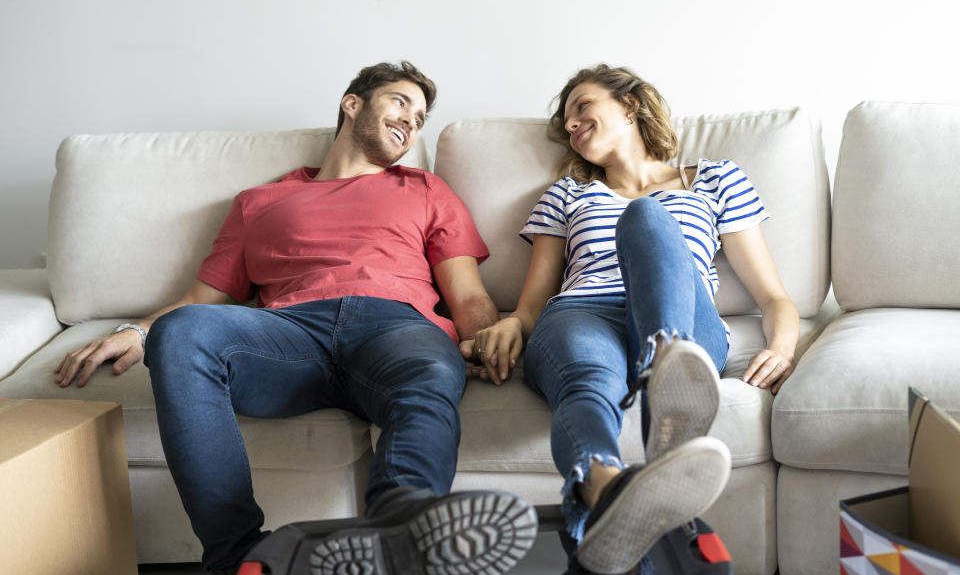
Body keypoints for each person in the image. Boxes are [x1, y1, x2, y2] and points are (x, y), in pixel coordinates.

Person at [53, 61, 537, 575]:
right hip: (287, 336)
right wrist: (137, 330)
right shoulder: (259, 202)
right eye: (400, 102)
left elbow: (467, 295)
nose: (411, 122)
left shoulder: (424, 189)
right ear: (353, 104)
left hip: (396, 329)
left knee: (431, 372)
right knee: (181, 331)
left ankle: (397, 540)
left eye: (419, 117)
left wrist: (485, 339)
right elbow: (201, 297)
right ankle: (240, 556)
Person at [465, 65, 799, 575]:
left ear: (630, 105)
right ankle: (608, 493)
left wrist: (783, 347)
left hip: (683, 320)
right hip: (583, 312)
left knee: (644, 215)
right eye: (567, 123)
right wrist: (511, 324)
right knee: (586, 382)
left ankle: (669, 367)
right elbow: (532, 304)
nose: (573, 126)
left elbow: (774, 296)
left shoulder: (712, 179)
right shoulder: (566, 194)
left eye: (583, 107)